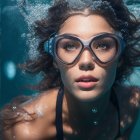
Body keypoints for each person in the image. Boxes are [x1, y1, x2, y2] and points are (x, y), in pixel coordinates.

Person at [0, 0, 140, 139]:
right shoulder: (24, 131)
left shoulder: (132, 104)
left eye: (103, 45)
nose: (86, 62)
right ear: (55, 58)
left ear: (120, 55)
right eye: (70, 46)